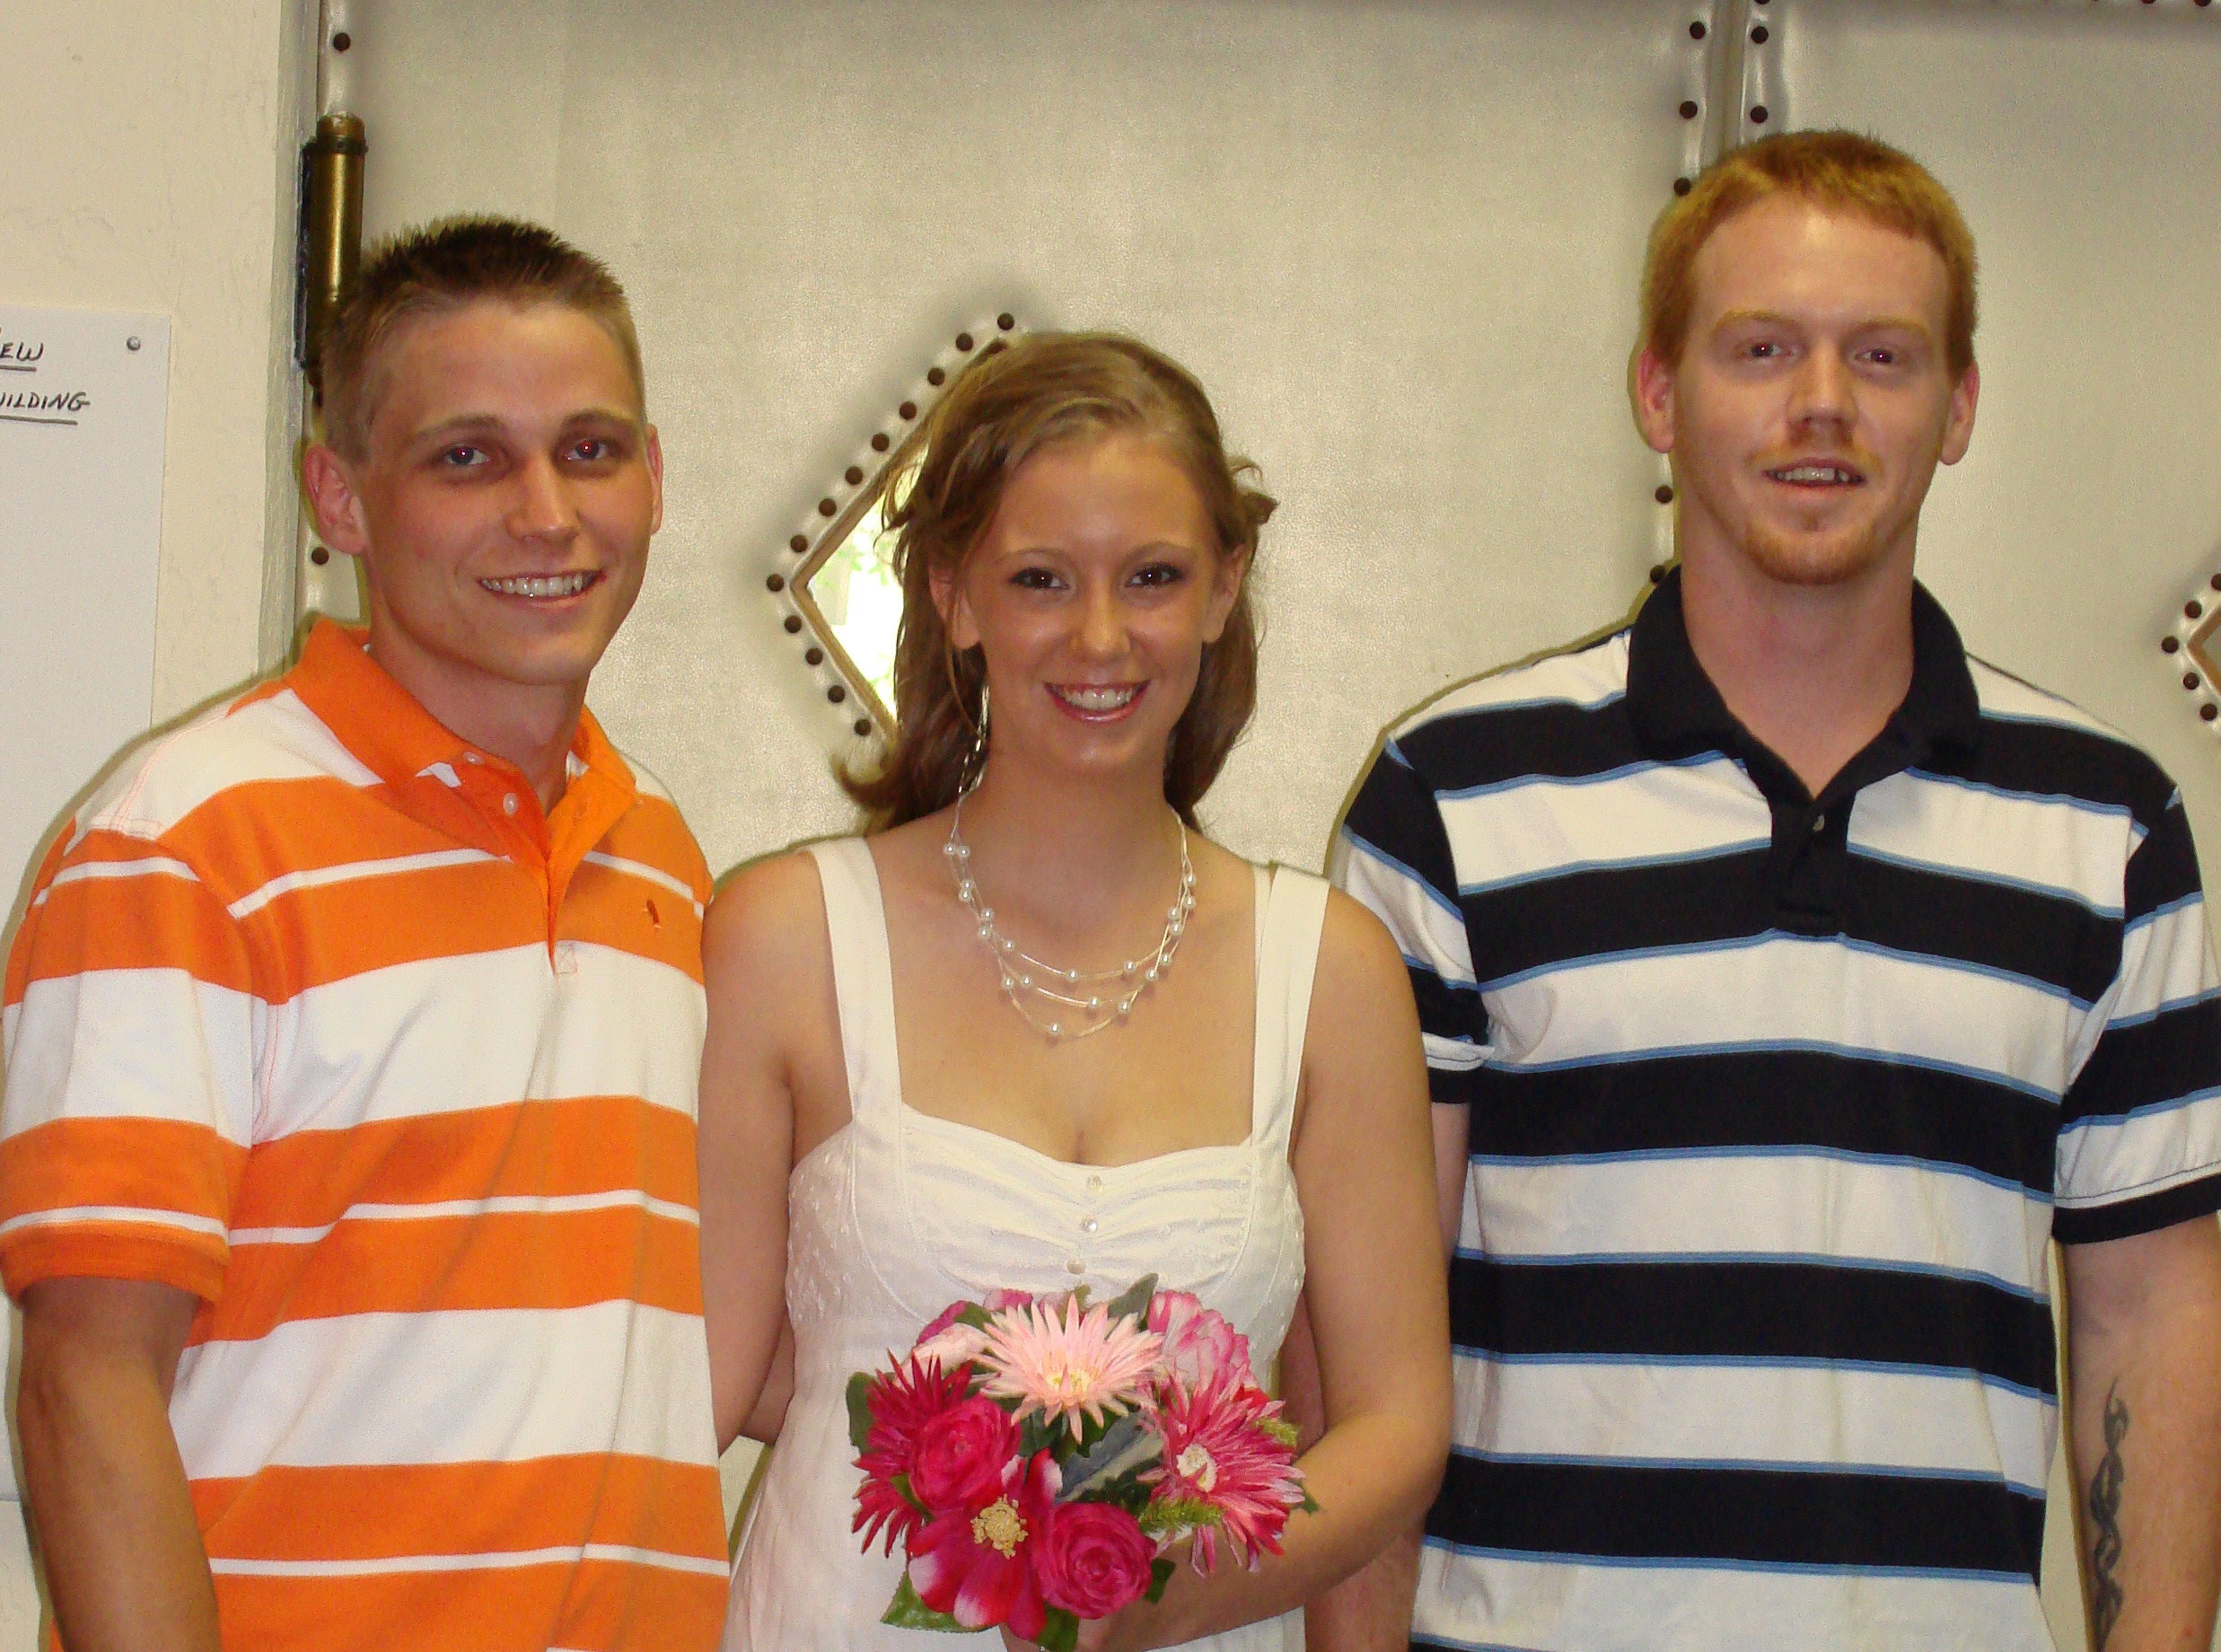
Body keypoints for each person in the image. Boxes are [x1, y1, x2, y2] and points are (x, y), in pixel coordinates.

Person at [1322, 130, 2221, 1650]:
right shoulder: (1451, 800)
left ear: (1958, 406)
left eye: (1881, 354)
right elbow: (1358, 1345)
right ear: (1657, 394)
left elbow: (2150, 1316)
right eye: (1759, 349)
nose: (1821, 404)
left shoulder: (2106, 823)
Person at [0, 218, 729, 1651]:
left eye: (588, 450)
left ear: (653, 475)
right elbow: (87, 1383)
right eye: (468, 458)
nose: (546, 513)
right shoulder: (185, 844)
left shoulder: (659, 856)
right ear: (338, 494)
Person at [699, 332, 1451, 1649]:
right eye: (1039, 579)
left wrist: (1161, 1595)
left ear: (1223, 588)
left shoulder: (1330, 972)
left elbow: (1396, 1424)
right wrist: (925, 1460)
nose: (1100, 636)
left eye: (1153, 577)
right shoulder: (785, 937)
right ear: (953, 595)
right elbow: (702, 1380)